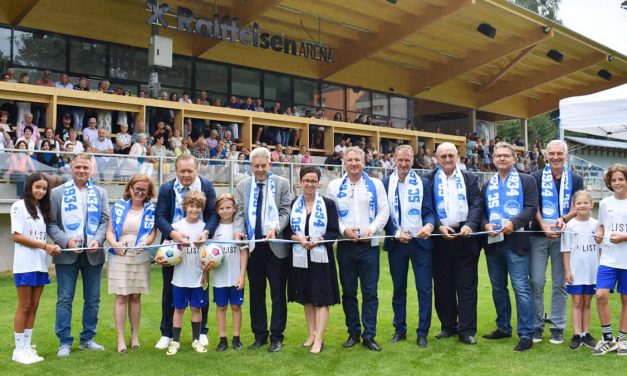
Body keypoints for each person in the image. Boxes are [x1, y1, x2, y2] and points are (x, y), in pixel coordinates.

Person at [327, 146, 390, 351]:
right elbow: (331, 215)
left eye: (357, 160)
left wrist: (372, 229)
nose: (354, 163)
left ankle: (369, 335)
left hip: (369, 246)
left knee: (370, 292)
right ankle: (353, 332)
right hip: (346, 246)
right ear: (344, 162)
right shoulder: (335, 186)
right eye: (350, 160)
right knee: (349, 292)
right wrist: (344, 230)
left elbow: (384, 211)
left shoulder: (376, 184)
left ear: (364, 162)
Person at [47, 154, 110, 357]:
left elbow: (104, 220)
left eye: (86, 167)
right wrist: (66, 241)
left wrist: (98, 240)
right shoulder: (57, 193)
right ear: (70, 169)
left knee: (93, 299)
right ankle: (64, 341)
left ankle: (87, 339)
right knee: (65, 299)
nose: (82, 170)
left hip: (93, 254)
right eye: (78, 167)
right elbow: (52, 223)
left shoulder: (100, 193)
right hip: (67, 255)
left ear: (91, 170)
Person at [155, 155, 218, 350]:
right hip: (173, 248)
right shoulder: (167, 188)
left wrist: (206, 232)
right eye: (182, 171)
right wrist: (174, 234)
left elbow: (213, 214)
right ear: (176, 171)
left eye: (190, 171)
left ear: (197, 170)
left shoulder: (206, 186)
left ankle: (202, 332)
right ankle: (167, 333)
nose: (186, 174)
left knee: (201, 288)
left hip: (199, 247)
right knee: (170, 291)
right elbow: (160, 216)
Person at [234, 147, 292, 352]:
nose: (260, 169)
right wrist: (237, 231)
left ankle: (277, 336)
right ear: (250, 166)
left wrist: (276, 228)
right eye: (256, 166)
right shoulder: (242, 186)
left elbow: (286, 212)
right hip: (253, 248)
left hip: (275, 248)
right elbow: (239, 213)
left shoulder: (282, 184)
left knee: (277, 294)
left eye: (263, 165)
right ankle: (259, 336)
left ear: (270, 165)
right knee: (256, 294)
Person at [482, 142, 538, 352]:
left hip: (517, 242)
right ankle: (503, 327)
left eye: (506, 156)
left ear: (514, 159)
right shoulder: (488, 184)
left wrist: (513, 223)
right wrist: (485, 225)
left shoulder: (526, 180)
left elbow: (532, 209)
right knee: (498, 288)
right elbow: (483, 212)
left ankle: (526, 333)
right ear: (493, 159)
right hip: (494, 243)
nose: (502, 159)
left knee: (521, 288)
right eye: (498, 156)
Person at [427, 142, 483, 345]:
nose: (448, 159)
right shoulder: (430, 178)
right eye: (443, 156)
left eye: (451, 155)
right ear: (436, 158)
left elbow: (477, 204)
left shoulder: (470, 178)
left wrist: (470, 224)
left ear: (458, 157)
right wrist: (438, 226)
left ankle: (467, 330)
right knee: (443, 285)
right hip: (440, 237)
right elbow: (428, 207)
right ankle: (448, 325)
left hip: (465, 237)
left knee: (466, 286)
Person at [529, 140, 584, 344]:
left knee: (560, 282)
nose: (555, 157)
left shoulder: (576, 179)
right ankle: (536, 325)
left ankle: (558, 326)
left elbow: (578, 205)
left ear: (566, 155)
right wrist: (543, 225)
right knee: (536, 281)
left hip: (564, 236)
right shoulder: (535, 177)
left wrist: (565, 219)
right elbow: (532, 205)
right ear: (546, 154)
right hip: (538, 234)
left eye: (559, 154)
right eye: (551, 153)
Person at [285, 166, 340, 354]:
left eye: (313, 180)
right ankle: (311, 333)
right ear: (300, 182)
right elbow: (287, 231)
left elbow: (334, 231)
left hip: (321, 259)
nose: (309, 184)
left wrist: (320, 240)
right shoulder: (293, 204)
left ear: (319, 182)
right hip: (300, 258)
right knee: (307, 297)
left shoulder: (328, 204)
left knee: (321, 298)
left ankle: (319, 338)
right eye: (306, 180)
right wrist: (298, 238)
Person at [383, 145, 435, 348]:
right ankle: (400, 330)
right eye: (400, 160)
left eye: (407, 160)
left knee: (424, 289)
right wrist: (396, 232)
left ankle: (423, 332)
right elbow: (383, 214)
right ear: (394, 159)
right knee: (399, 289)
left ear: (412, 161)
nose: (403, 164)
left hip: (421, 244)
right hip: (397, 244)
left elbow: (429, 211)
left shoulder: (423, 183)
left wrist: (429, 225)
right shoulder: (386, 183)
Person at [10, 173, 61, 364]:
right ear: (29, 186)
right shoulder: (18, 206)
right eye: (37, 187)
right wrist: (45, 246)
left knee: (34, 306)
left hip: (40, 264)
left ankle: (27, 347)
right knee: (24, 306)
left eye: (44, 188)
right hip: (24, 264)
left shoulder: (40, 210)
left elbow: (38, 238)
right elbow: (17, 236)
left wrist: (49, 246)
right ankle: (18, 350)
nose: (41, 191)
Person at [105, 174, 157, 353]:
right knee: (121, 296)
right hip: (120, 255)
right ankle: (120, 338)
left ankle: (134, 336)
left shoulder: (151, 209)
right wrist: (114, 244)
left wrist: (146, 243)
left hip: (140, 256)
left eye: (144, 189)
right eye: (138, 188)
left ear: (148, 191)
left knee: (135, 297)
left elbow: (152, 233)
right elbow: (109, 232)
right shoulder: (119, 207)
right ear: (130, 188)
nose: (140, 192)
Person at [156, 191, 209, 355]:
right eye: (192, 206)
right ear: (185, 206)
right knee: (178, 309)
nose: (195, 209)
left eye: (198, 206)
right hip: (179, 277)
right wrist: (159, 258)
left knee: (196, 308)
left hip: (198, 276)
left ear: (202, 208)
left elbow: (208, 254)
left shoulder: (204, 228)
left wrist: (205, 273)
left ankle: (196, 340)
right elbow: (163, 250)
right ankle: (175, 341)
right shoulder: (177, 227)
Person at [592, 164, 627, 355]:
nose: (618, 182)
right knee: (601, 295)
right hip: (608, 258)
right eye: (614, 180)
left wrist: (624, 237)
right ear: (609, 183)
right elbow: (601, 226)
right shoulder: (605, 203)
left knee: (626, 299)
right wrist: (598, 234)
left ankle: (622, 339)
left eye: (621, 179)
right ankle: (607, 339)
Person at [208, 194, 248, 352]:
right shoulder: (214, 229)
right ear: (217, 210)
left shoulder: (239, 228)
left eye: (228, 208)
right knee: (221, 307)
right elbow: (209, 253)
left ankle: (236, 338)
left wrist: (242, 275)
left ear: (234, 209)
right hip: (219, 277)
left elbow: (244, 252)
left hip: (236, 276)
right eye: (222, 208)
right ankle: (222, 339)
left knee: (236, 307)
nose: (225, 211)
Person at [561, 190, 598, 350]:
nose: (582, 206)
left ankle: (586, 334)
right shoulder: (570, 226)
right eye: (579, 203)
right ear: (574, 206)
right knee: (577, 301)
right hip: (576, 270)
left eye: (585, 203)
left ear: (591, 204)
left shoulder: (597, 225)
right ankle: (576, 335)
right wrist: (567, 271)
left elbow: (602, 249)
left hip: (592, 270)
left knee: (588, 302)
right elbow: (566, 250)